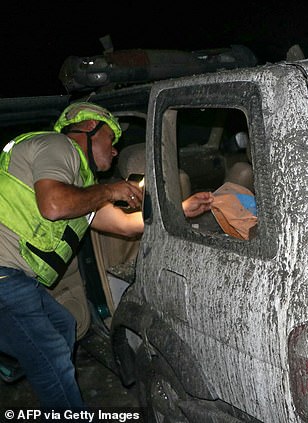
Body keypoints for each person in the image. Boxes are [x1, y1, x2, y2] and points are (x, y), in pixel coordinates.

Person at [0, 102, 214, 409]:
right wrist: (110, 191)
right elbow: (54, 205)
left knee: (62, 324)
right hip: (4, 273)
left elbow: (126, 225)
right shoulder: (57, 145)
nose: (115, 152)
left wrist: (181, 209)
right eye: (110, 141)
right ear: (88, 129)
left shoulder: (82, 189)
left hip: (15, 275)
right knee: (51, 359)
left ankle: (17, 352)